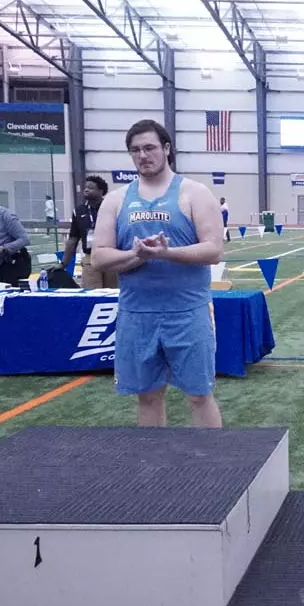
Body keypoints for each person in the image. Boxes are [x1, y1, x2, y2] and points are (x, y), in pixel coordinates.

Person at [91, 119, 224, 428]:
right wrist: (136, 255)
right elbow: (99, 256)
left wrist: (166, 253)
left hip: (187, 312)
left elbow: (213, 249)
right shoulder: (116, 200)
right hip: (137, 313)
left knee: (199, 396)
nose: (143, 155)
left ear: (166, 149)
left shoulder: (194, 193)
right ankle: (153, 459)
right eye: (135, 150)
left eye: (149, 147)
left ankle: (213, 459)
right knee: (148, 397)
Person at [62, 175, 117, 289]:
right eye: (85, 187)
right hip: (90, 257)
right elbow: (73, 239)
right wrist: (64, 263)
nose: (86, 190)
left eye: (91, 188)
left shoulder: (112, 208)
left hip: (111, 256)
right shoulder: (79, 211)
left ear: (101, 191)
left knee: (113, 292)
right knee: (92, 292)